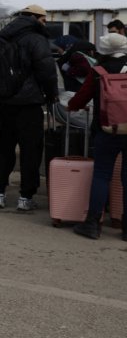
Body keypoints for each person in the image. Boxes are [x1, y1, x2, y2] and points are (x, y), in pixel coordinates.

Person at [0, 4, 59, 211]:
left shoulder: (3, 37)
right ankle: (25, 197)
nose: (45, 23)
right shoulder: (36, 39)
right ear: (34, 18)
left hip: (4, 102)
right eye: (43, 19)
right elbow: (46, 69)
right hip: (29, 102)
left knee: (5, 149)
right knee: (30, 151)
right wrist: (52, 93)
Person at [68, 33, 127, 240]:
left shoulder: (98, 72)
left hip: (106, 130)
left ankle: (92, 224)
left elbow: (81, 97)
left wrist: (72, 106)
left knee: (102, 175)